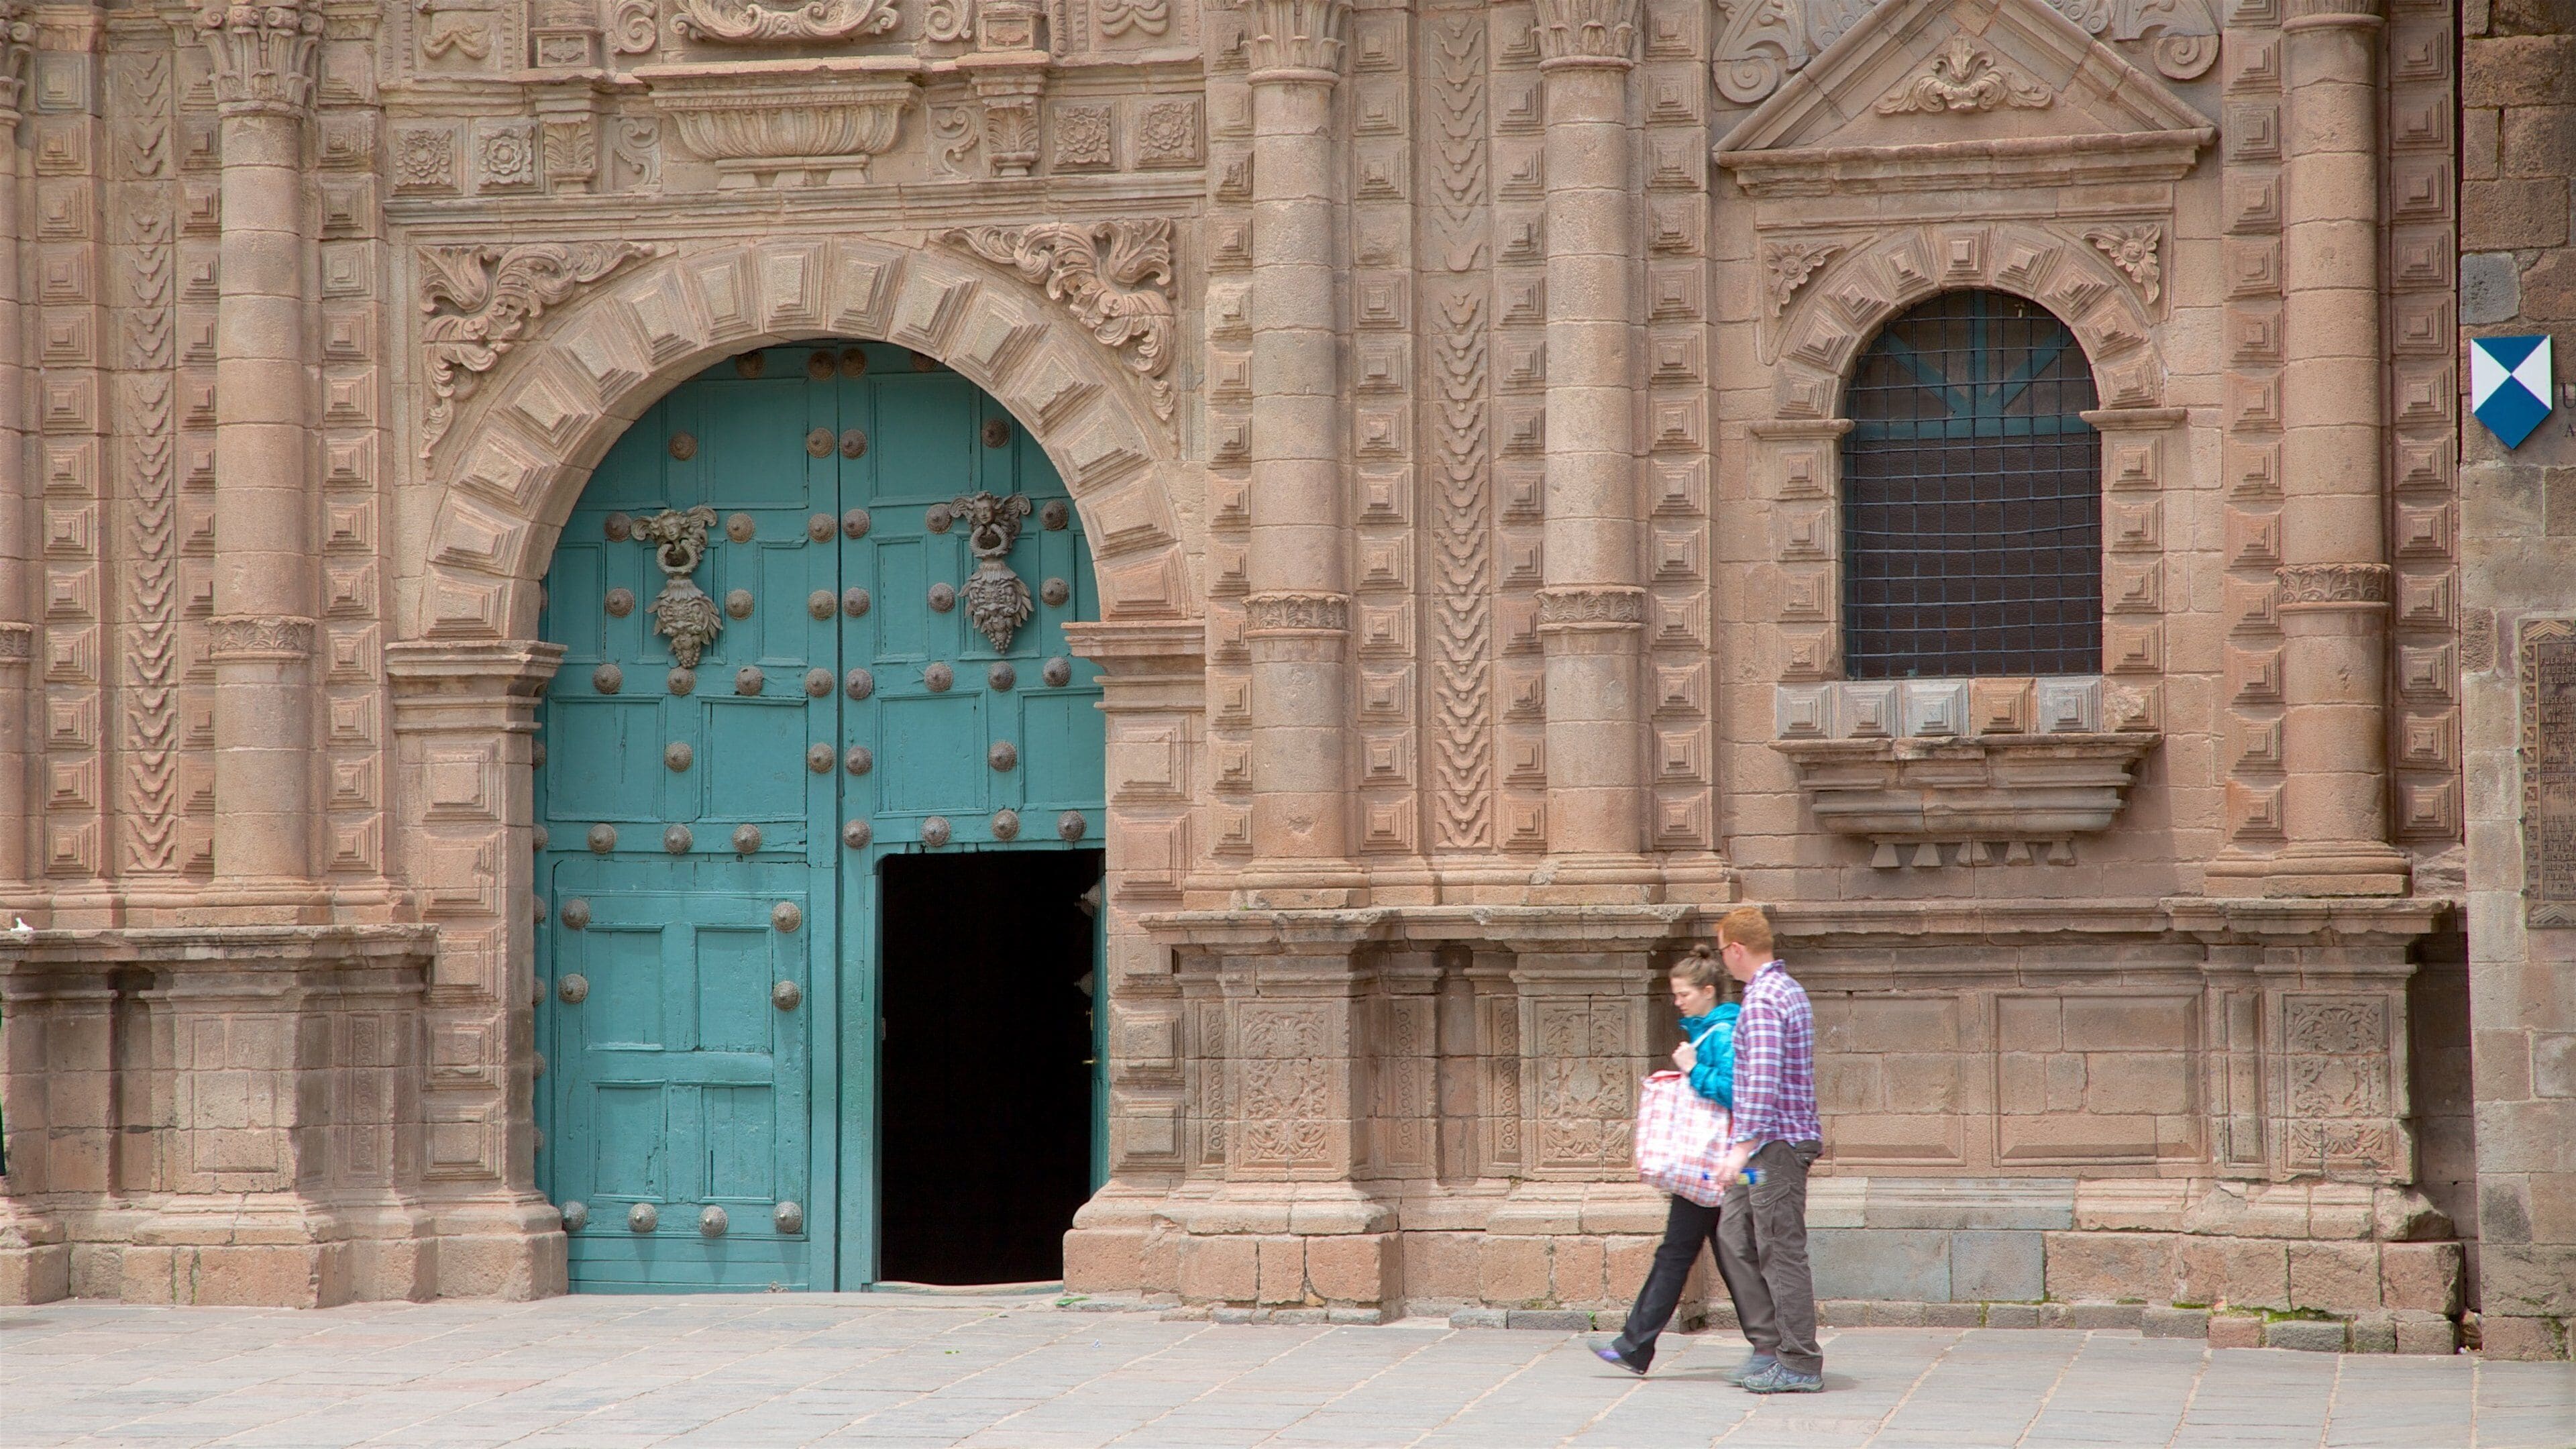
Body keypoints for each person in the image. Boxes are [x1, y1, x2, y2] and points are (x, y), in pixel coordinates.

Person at [1591, 944, 1739, 1377]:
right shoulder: (1710, 1030)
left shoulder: (1723, 1033)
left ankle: (1774, 1344)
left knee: (1717, 1258)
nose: (1677, 1002)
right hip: (1706, 1166)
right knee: (1703, 1255)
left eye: (1683, 994)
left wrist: (1691, 1069)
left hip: (1715, 1163)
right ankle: (1635, 1346)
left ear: (1708, 991)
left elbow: (1733, 1092)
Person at [1711, 906, 1825, 1393]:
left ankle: (1799, 1361)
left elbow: (1762, 1081)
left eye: (1722, 950)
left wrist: (1740, 1148)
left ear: (1737, 949)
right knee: (1734, 1229)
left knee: (1780, 1250)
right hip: (1766, 1151)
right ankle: (1768, 1346)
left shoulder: (1762, 1000)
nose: (1722, 960)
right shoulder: (1786, 989)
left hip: (1772, 1149)